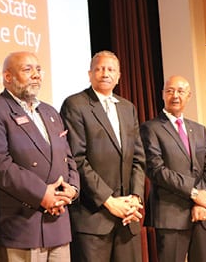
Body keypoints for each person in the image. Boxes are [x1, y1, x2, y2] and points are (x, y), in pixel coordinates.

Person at [0, 51, 80, 262]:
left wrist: (72, 189)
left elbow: (68, 156)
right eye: (27, 69)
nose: (36, 75)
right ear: (7, 77)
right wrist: (43, 194)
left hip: (58, 222)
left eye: (38, 69)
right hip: (18, 225)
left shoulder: (50, 112)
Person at [60, 50, 146, 262]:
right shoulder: (75, 105)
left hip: (128, 218)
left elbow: (138, 159)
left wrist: (135, 198)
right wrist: (109, 201)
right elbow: (77, 159)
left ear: (118, 76)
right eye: (99, 69)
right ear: (90, 74)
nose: (105, 73)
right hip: (93, 218)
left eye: (110, 70)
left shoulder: (128, 108)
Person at [140, 75, 206, 261]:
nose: (175, 95)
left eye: (181, 91)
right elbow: (156, 170)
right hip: (171, 216)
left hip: (203, 215)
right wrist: (193, 193)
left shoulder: (199, 129)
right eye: (170, 91)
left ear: (188, 96)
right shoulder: (150, 128)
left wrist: (201, 199)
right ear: (163, 95)